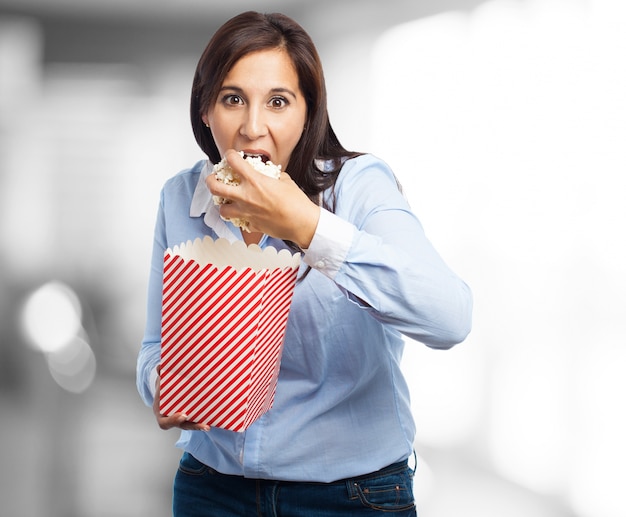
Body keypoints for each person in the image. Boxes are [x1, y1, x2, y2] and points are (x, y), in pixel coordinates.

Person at [137, 10, 472, 516]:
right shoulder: (180, 196)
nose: (253, 127)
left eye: (278, 102)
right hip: (212, 488)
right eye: (233, 99)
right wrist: (166, 387)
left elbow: (450, 318)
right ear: (206, 110)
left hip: (351, 496)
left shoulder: (359, 187)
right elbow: (155, 349)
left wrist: (306, 225)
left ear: (307, 111)